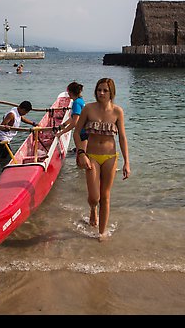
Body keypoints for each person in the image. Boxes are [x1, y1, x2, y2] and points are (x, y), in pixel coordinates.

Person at [73, 78, 130, 241]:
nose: (102, 93)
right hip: (91, 156)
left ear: (112, 92)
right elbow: (77, 133)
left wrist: (127, 162)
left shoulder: (118, 111)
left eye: (105, 90)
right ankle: (92, 209)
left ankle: (102, 233)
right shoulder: (88, 109)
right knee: (94, 197)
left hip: (111, 157)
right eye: (99, 90)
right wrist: (81, 153)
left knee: (105, 196)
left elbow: (123, 138)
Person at [55, 81, 88, 151]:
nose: (68, 93)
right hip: (85, 132)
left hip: (83, 133)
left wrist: (61, 133)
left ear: (71, 92)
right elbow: (74, 117)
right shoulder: (80, 100)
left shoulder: (76, 103)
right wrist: (63, 125)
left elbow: (75, 122)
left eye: (68, 91)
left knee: (81, 156)